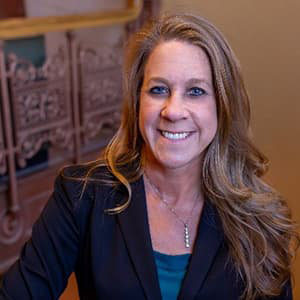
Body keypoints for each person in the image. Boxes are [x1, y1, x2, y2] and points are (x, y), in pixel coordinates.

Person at [0, 13, 299, 300]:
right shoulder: (82, 196)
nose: (173, 111)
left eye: (195, 91)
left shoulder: (260, 217)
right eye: (158, 89)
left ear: (222, 105)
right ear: (137, 101)